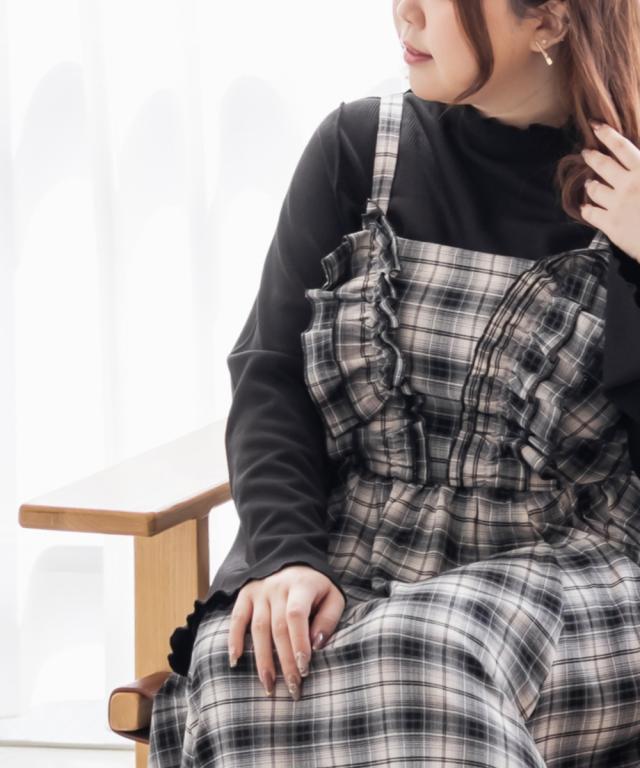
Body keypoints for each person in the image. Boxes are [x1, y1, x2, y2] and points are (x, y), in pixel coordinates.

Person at [148, 1, 640, 765]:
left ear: (547, 21)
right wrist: (286, 556)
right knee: (251, 666)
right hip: (359, 547)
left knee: (431, 653)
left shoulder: (631, 187)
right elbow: (271, 376)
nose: (403, 12)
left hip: (578, 571)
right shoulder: (358, 151)